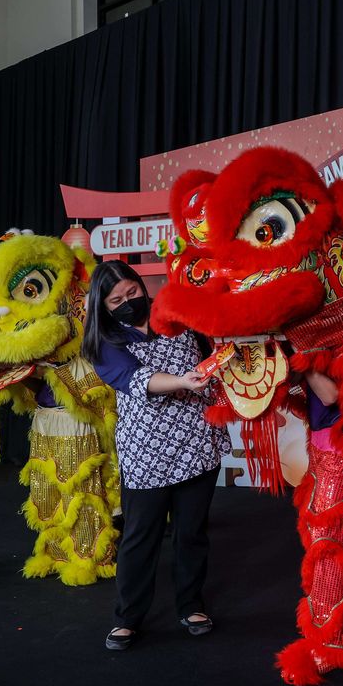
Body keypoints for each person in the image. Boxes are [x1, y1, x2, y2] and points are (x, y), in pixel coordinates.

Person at [82, 261, 230, 651]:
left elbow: (210, 350)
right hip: (146, 450)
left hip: (197, 440)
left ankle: (190, 604)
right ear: (103, 305)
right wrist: (181, 381)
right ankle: (127, 617)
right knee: (139, 536)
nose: (128, 302)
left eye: (132, 292)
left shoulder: (176, 315)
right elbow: (135, 379)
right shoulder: (104, 341)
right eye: (116, 300)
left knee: (192, 532)